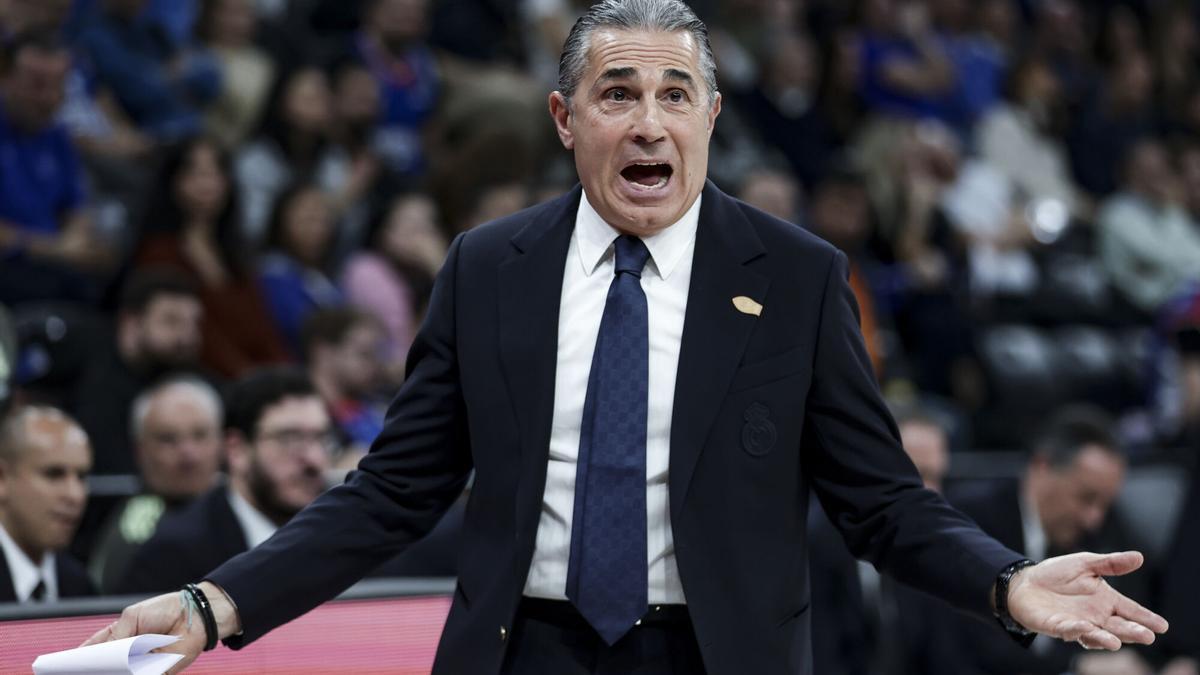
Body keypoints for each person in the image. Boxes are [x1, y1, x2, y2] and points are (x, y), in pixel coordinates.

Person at [89, 2, 1169, 673]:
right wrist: (214, 602)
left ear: (707, 117)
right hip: (526, 652)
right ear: (566, 120)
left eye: (674, 93)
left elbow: (879, 500)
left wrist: (1005, 583)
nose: (648, 121)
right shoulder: (486, 267)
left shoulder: (795, 277)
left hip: (715, 655)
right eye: (618, 93)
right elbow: (391, 491)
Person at [946, 405, 1151, 675]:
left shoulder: (1103, 530)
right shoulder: (973, 518)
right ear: (1042, 467)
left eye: (1105, 504)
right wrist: (1074, 666)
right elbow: (972, 643)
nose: (1094, 518)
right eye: (1086, 498)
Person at [115, 367, 334, 594]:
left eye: (322, 438)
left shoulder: (344, 535)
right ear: (236, 449)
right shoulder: (172, 554)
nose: (314, 459)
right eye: (289, 439)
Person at [0, 30, 111, 305]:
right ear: (5, 77)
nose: (49, 98)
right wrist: (55, 249)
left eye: (59, 86)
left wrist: (78, 239)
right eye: (37, 85)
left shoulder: (57, 136)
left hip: (53, 268)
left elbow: (76, 208)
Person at [89, 376, 223, 593]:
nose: (188, 454)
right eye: (168, 439)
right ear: (140, 450)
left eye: (200, 435)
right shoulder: (135, 526)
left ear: (222, 441)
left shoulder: (245, 504)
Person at [70, 267, 205, 475]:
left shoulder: (196, 384)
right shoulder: (87, 378)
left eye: (193, 324)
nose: (186, 337)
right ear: (131, 323)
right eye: (171, 321)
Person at [0, 405, 94, 602]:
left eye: (81, 477)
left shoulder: (80, 585)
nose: (75, 495)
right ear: (3, 478)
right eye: (54, 474)